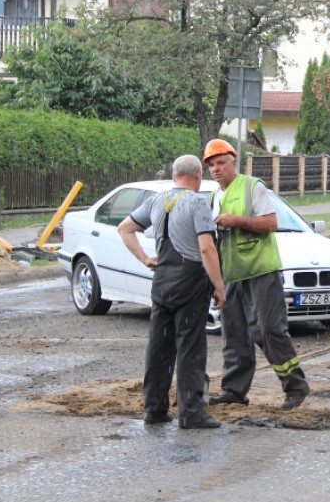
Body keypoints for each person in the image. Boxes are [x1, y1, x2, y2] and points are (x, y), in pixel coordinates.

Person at [118, 154, 226, 430]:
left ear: (174, 175)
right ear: (198, 176)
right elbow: (206, 248)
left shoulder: (157, 200)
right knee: (190, 347)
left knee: (159, 346)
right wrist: (218, 285)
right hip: (190, 281)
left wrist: (145, 258)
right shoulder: (197, 203)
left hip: (162, 281)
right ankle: (192, 413)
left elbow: (125, 228)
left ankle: (154, 409)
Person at [201, 139, 310, 411]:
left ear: (233, 161)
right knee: (234, 334)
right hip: (233, 275)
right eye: (211, 165)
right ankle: (234, 390)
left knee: (270, 330)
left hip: (262, 271)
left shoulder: (253, 187)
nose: (216, 169)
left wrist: (238, 221)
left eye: (220, 163)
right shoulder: (215, 196)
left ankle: (295, 386)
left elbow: (271, 223)